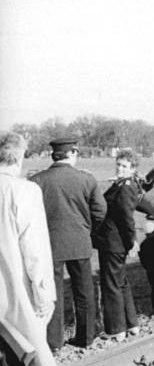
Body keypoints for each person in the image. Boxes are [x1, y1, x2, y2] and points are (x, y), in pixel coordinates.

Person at [0, 131, 59, 366]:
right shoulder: (24, 191)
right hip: (13, 295)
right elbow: (34, 249)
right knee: (28, 359)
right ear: (21, 156)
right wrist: (44, 294)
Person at [30, 137, 106, 350]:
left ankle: (53, 342)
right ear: (72, 153)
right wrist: (86, 229)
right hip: (80, 243)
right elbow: (100, 211)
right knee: (84, 291)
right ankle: (86, 336)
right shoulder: (87, 179)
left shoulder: (37, 181)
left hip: (49, 245)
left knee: (52, 293)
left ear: (53, 155)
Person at [92, 150, 143, 341]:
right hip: (116, 242)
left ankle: (116, 329)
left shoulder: (125, 188)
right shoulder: (123, 184)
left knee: (111, 284)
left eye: (124, 166)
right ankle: (131, 325)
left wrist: (132, 242)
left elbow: (126, 219)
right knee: (121, 283)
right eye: (118, 164)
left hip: (113, 243)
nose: (120, 168)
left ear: (132, 169)